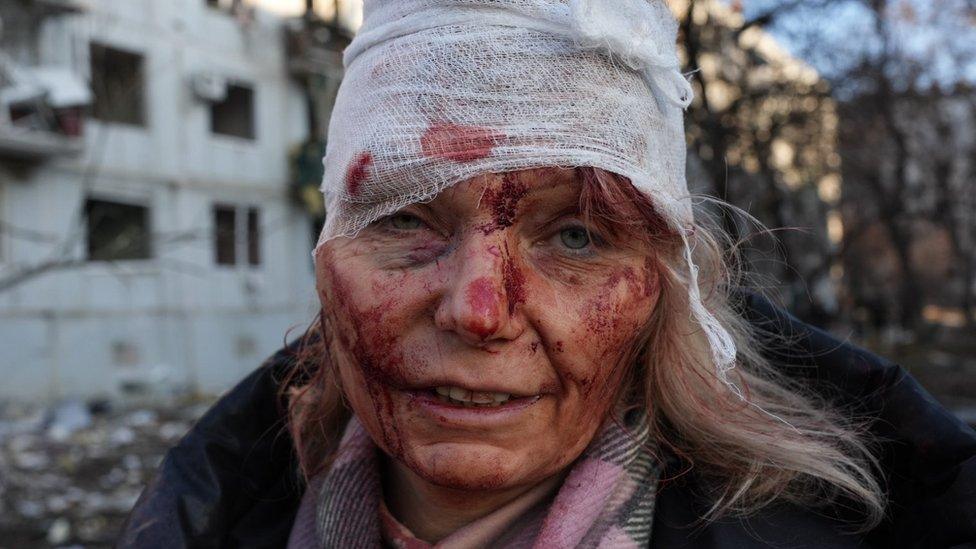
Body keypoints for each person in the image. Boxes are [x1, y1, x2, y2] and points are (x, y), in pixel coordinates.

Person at [120, 1, 976, 547]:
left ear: (660, 288)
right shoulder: (212, 520)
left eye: (575, 236)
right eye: (406, 217)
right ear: (327, 254)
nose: (478, 309)